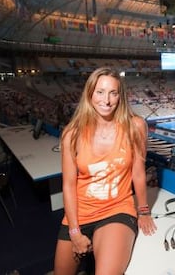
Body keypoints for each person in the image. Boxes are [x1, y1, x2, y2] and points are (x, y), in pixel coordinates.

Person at [54, 67, 157, 275]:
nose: (107, 100)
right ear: (90, 93)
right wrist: (74, 231)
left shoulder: (135, 126)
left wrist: (144, 210)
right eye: (100, 92)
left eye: (113, 93)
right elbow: (69, 185)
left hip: (116, 210)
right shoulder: (71, 134)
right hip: (79, 215)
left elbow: (138, 172)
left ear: (120, 96)